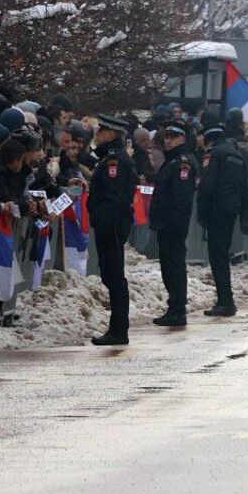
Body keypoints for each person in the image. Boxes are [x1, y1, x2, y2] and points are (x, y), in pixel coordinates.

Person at [86, 115, 137, 344]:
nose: (97, 134)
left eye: (101, 131)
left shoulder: (114, 161)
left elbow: (113, 196)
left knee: (114, 276)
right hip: (110, 223)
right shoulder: (109, 158)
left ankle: (119, 330)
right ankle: (117, 328)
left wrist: (103, 219)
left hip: (112, 224)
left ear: (112, 134)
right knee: (111, 275)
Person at [195, 126, 248, 317]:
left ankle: (225, 301)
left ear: (208, 138)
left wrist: (201, 211)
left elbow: (207, 184)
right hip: (231, 210)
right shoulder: (237, 155)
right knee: (223, 255)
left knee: (217, 257)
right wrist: (245, 216)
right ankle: (225, 300)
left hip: (216, 209)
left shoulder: (214, 154)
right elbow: (245, 189)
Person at [150, 122, 197, 327]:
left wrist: (175, 222)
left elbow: (181, 197)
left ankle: (177, 309)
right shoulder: (172, 161)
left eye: (173, 137)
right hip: (166, 222)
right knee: (168, 265)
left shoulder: (182, 163)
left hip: (173, 223)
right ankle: (174, 307)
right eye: (166, 137)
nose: (168, 141)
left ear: (183, 139)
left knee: (174, 265)